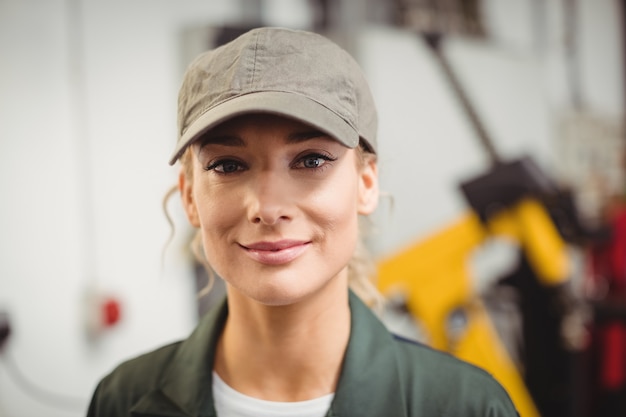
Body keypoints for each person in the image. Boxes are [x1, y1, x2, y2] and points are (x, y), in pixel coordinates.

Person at [87, 27, 519, 416]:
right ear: (189, 197)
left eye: (311, 160)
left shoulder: (466, 406)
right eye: (228, 165)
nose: (268, 207)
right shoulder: (123, 399)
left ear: (366, 183)